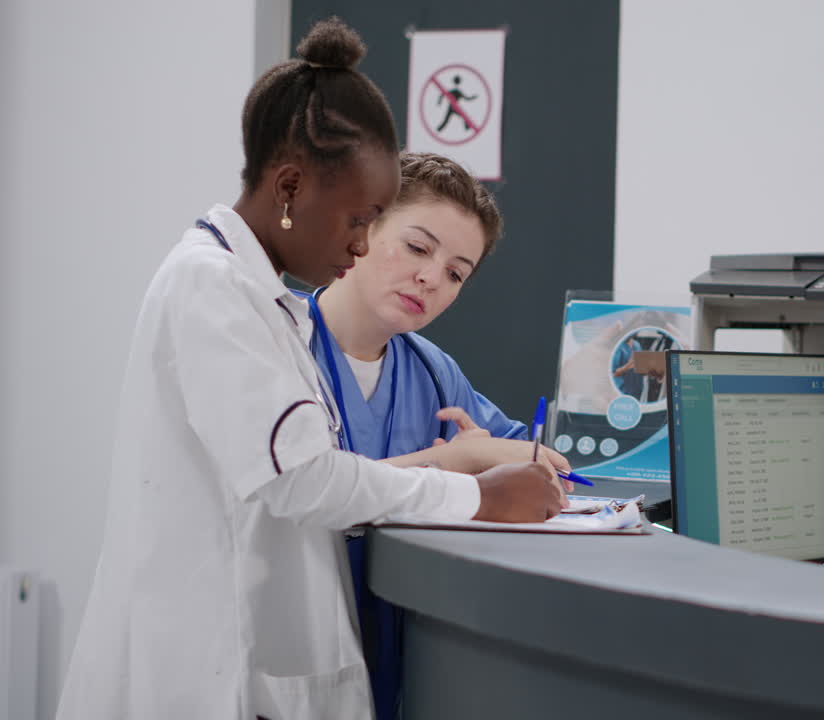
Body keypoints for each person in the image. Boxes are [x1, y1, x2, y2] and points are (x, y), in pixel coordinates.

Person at [56, 18, 562, 720]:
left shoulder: (264, 303)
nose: (360, 245)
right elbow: (304, 477)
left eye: (455, 272)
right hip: (205, 672)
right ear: (291, 187)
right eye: (363, 221)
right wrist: (471, 488)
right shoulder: (213, 287)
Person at [302, 151, 574, 719]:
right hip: (295, 654)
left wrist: (506, 457)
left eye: (456, 273)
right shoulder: (282, 352)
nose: (431, 279)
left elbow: (538, 459)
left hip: (400, 654)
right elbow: (306, 492)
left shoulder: (432, 371)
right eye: (419, 247)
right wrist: (457, 461)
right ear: (364, 225)